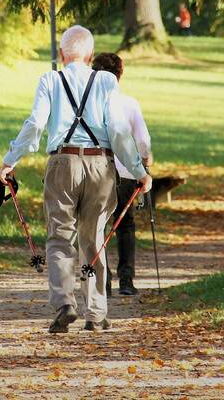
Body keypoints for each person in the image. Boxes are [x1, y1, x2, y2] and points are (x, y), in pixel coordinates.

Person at [0, 25, 152, 334]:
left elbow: (35, 124)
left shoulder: (50, 80)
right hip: (100, 165)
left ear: (61, 54)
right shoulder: (106, 81)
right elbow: (119, 133)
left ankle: (64, 303)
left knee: (58, 237)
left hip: (62, 163)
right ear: (91, 55)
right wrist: (139, 171)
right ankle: (96, 313)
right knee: (94, 238)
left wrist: (9, 161)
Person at [92, 52, 152, 297]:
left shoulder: (91, 105)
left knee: (99, 225)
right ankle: (126, 280)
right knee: (125, 225)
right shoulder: (129, 103)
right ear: (120, 75)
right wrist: (145, 160)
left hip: (98, 171)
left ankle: (102, 282)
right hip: (127, 172)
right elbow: (143, 140)